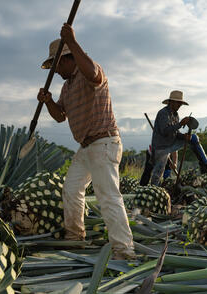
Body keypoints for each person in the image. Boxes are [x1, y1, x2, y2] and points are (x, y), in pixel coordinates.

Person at [37, 23, 135, 260]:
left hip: (104, 143)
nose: (57, 70)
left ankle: (124, 251)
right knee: (71, 189)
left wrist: (71, 40)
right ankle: (75, 237)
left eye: (58, 64)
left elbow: (93, 74)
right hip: (86, 147)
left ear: (69, 58)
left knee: (107, 196)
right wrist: (48, 101)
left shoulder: (90, 72)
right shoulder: (66, 87)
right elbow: (60, 116)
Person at [150, 90, 207, 186]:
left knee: (193, 138)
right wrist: (180, 124)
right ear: (171, 102)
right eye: (178, 103)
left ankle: (205, 165)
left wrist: (183, 136)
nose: (179, 105)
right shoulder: (163, 113)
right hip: (161, 147)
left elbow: (175, 133)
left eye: (180, 103)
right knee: (158, 174)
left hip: (171, 143)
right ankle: (154, 190)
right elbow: (165, 131)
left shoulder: (175, 115)